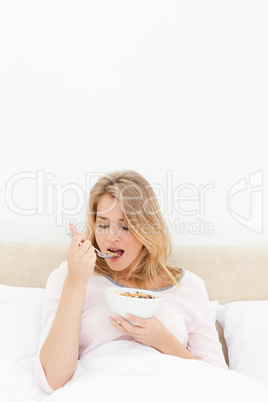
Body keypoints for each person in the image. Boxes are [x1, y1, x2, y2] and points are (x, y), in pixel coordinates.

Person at [35, 170, 228, 394]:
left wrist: (162, 340)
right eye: (103, 224)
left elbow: (219, 381)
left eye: (126, 226)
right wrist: (76, 281)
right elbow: (53, 380)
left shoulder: (190, 287)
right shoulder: (69, 276)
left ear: (147, 229)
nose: (112, 237)